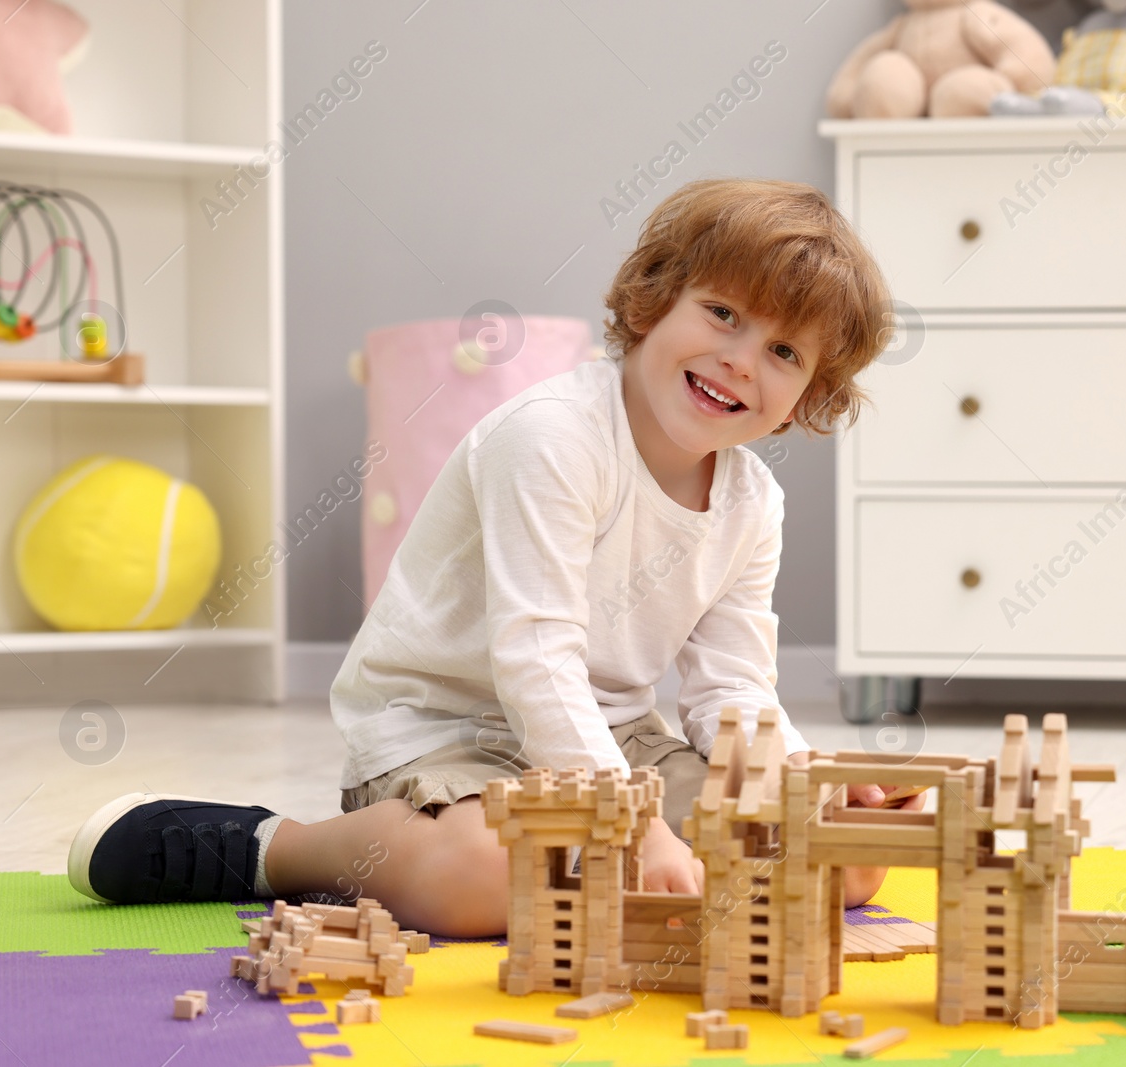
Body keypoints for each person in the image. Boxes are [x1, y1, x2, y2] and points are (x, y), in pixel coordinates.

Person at [66, 177, 912, 937]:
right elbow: (535, 660)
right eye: (724, 313)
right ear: (655, 299)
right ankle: (276, 847)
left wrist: (802, 778)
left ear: (811, 395)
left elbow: (733, 689)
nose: (740, 358)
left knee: (848, 860)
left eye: (784, 352)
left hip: (611, 739)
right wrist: (637, 827)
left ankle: (606, 860)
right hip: (448, 733)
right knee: (488, 876)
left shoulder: (752, 501)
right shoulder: (552, 437)